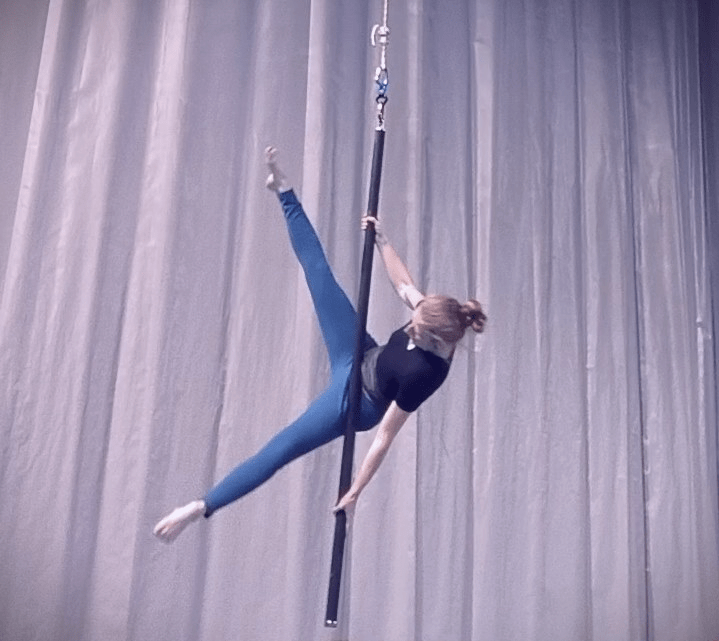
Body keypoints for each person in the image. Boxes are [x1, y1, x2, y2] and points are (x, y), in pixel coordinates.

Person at [153, 146, 486, 543]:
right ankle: (284, 190)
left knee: (283, 446)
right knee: (319, 274)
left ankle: (200, 506)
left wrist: (356, 491)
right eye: (412, 321)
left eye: (415, 331)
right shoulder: (435, 313)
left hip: (357, 402)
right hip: (360, 352)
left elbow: (384, 437)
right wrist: (383, 240)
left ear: (436, 341)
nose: (410, 328)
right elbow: (403, 284)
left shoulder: (427, 375)